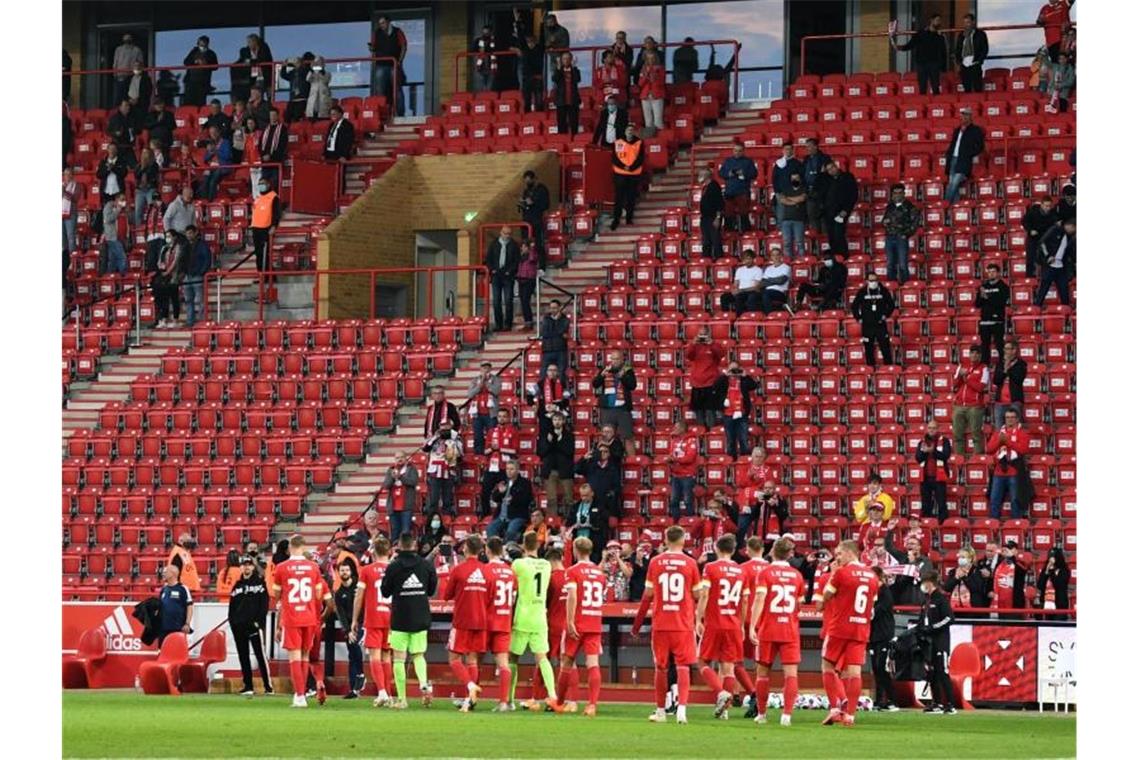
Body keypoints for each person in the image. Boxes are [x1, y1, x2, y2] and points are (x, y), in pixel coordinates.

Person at [632, 525, 703, 724]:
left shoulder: (656, 562)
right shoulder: (690, 563)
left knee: (661, 668)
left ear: (665, 539)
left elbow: (647, 596)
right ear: (683, 540)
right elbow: (698, 595)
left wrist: (637, 625)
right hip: (683, 623)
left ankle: (661, 711)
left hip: (661, 623)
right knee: (683, 666)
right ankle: (682, 710)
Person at [818, 540, 880, 727]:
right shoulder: (872, 576)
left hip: (839, 627)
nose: (837, 558)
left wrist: (832, 582)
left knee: (827, 666)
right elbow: (872, 605)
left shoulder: (841, 573)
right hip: (861, 628)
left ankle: (835, 709)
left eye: (839, 554)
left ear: (849, 552)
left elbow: (823, 600)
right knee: (855, 672)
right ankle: (850, 715)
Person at [747, 536, 805, 726]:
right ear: (789, 554)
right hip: (789, 628)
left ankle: (762, 714)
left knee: (762, 673)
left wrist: (752, 625)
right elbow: (800, 602)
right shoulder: (797, 575)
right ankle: (786, 715)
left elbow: (759, 599)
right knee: (791, 674)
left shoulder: (765, 573)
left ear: (772, 551)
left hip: (768, 628)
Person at [272, 535, 333, 708]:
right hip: (309, 617)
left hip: (292, 616)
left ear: (290, 547)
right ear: (304, 547)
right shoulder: (313, 567)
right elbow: (318, 594)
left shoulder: (281, 567)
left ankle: (299, 696)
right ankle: (303, 694)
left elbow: (276, 594)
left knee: (294, 657)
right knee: (306, 656)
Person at [380, 532, 438, 709]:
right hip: (420, 615)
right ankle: (423, 684)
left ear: (399, 546)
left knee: (398, 658)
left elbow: (385, 592)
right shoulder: (426, 564)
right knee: (419, 655)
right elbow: (431, 590)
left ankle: (402, 699)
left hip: (400, 618)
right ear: (414, 545)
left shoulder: (394, 566)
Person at [694, 535, 747, 719]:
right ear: (733, 550)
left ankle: (720, 693)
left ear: (716, 548)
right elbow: (745, 601)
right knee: (728, 668)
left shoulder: (710, 567)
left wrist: (698, 618)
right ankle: (725, 711)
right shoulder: (741, 571)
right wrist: (741, 625)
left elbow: (705, 594)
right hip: (733, 623)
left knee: (702, 662)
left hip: (715, 622)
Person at [554, 537, 607, 716]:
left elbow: (573, 596)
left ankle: (561, 702)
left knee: (567, 660)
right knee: (593, 663)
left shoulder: (572, 571)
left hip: (577, 622)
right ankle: (592, 705)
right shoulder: (599, 572)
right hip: (594, 622)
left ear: (575, 550)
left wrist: (569, 621)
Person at [508, 532, 560, 711]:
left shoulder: (518, 564)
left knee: (513, 658)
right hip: (540, 616)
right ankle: (553, 695)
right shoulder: (546, 565)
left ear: (523, 545)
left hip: (523, 615)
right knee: (542, 658)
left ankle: (509, 699)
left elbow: (510, 581)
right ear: (538, 546)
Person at [441, 534, 489, 712]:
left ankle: (470, 686)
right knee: (472, 659)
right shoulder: (487, 571)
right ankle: (470, 701)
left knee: (454, 659)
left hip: (462, 620)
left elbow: (446, 596)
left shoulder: (458, 570)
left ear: (466, 549)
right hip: (481, 620)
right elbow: (490, 597)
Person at [353, 536, 394, 707]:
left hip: (374, 617)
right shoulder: (395, 569)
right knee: (387, 657)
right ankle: (389, 694)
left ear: (374, 552)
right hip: (391, 618)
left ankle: (382, 692)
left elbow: (359, 596)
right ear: (390, 551)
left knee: (375, 657)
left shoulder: (367, 570)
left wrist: (355, 619)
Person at [228, 556, 272, 695]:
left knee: (260, 656)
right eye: (244, 565)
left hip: (253, 626)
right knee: (243, 655)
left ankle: (268, 687)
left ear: (253, 567)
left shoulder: (260, 584)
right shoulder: (237, 586)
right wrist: (232, 622)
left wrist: (258, 623)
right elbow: (232, 607)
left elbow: (264, 605)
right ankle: (248, 686)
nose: (246, 567)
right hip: (239, 626)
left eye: (249, 565)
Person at [484, 537, 518, 711]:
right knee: (503, 663)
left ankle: (471, 698)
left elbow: (482, 599)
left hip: (487, 621)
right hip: (504, 620)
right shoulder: (510, 572)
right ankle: (504, 702)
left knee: (474, 659)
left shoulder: (485, 571)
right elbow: (513, 598)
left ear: (488, 550)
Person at [916, 570, 956, 714]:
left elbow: (949, 618)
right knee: (931, 673)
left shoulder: (940, 599)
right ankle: (937, 703)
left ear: (929, 583)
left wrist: (932, 628)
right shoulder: (927, 601)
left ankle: (951, 704)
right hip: (929, 643)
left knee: (943, 672)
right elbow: (922, 620)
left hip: (940, 642)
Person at [987, 408, 1031, 519]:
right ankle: (994, 524)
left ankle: (1016, 526)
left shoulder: (1022, 433)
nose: (1009, 420)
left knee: (1015, 500)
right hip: (998, 472)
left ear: (1017, 419)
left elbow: (1024, 449)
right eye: (1007, 417)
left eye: (1012, 417)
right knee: (994, 499)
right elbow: (989, 449)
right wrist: (999, 441)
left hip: (1014, 471)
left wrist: (1008, 442)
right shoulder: (998, 433)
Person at [891, 14, 946, 95]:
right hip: (921, 64)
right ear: (931, 20)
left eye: (940, 21)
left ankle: (935, 105)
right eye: (937, 20)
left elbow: (943, 51)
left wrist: (943, 66)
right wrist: (899, 48)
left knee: (935, 86)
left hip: (934, 64)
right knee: (922, 87)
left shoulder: (940, 36)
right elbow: (911, 44)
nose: (939, 23)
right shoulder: (921, 33)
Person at [332, 560, 364, 698]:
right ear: (338, 573)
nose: (344, 573)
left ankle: (361, 676)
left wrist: (357, 626)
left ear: (351, 571)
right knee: (352, 654)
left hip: (362, 624)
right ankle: (354, 688)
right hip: (349, 628)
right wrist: (348, 631)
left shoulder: (359, 586)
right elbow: (341, 614)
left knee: (355, 648)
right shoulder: (338, 593)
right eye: (342, 570)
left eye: (346, 570)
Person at [951, 345, 991, 456]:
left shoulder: (984, 368)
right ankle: (959, 458)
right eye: (972, 353)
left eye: (977, 353)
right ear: (969, 354)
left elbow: (981, 387)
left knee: (976, 434)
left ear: (980, 355)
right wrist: (960, 376)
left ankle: (977, 459)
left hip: (975, 406)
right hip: (959, 405)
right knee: (957, 434)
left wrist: (966, 379)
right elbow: (954, 385)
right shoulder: (962, 366)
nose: (974, 355)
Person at [867, 566, 897, 711]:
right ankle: (879, 700)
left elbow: (878, 611)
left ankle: (891, 699)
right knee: (875, 668)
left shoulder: (886, 592)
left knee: (882, 668)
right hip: (873, 636)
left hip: (884, 635)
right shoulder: (871, 593)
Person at [592, 352, 637, 449]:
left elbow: (633, 386)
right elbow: (595, 384)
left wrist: (623, 376)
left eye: (616, 359)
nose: (614, 361)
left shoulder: (627, 370)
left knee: (628, 437)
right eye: (612, 359)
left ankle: (632, 462)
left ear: (622, 360)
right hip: (607, 410)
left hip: (623, 410)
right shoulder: (605, 369)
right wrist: (601, 376)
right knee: (606, 437)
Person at [851, 272, 895, 367]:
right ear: (867, 281)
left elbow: (891, 305)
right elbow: (854, 306)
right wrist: (858, 318)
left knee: (885, 348)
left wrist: (886, 315)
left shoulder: (883, 291)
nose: (873, 282)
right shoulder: (862, 292)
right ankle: (871, 370)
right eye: (871, 280)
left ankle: (889, 369)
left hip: (880, 325)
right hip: (867, 326)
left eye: (875, 280)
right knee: (868, 350)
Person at [685, 326, 725, 429]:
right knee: (698, 412)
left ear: (709, 335)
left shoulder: (714, 345)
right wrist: (693, 343)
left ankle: (711, 435)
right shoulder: (695, 346)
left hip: (710, 383)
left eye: (704, 334)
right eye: (700, 334)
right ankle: (701, 433)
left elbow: (721, 354)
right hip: (697, 384)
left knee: (710, 411)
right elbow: (688, 355)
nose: (702, 337)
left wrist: (711, 343)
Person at [943, 108, 985, 203]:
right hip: (953, 159)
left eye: (966, 115)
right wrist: (948, 153)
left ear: (970, 117)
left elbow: (980, 146)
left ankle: (945, 204)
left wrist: (969, 153)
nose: (963, 117)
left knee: (953, 183)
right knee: (953, 184)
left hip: (964, 161)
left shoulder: (975, 130)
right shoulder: (957, 130)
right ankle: (955, 208)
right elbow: (953, 144)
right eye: (962, 115)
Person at [574, 442, 621, 525]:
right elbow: (577, 469)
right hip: (591, 502)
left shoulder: (613, 468)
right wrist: (584, 458)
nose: (603, 453)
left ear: (609, 454)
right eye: (601, 451)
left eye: (606, 451)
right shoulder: (591, 465)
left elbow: (617, 486)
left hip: (606, 504)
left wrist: (610, 494)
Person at [424, 417, 462, 519]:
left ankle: (447, 518)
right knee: (434, 498)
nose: (444, 427)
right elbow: (425, 448)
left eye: (447, 425)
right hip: (435, 470)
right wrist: (435, 437)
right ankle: (432, 518)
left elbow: (460, 455)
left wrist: (452, 441)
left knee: (447, 498)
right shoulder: (434, 437)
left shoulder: (456, 437)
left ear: (451, 426)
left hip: (449, 470)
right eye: (442, 425)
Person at [882, 184, 921, 284]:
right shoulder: (890, 206)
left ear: (904, 194)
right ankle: (891, 286)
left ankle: (905, 287)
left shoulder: (910, 207)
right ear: (892, 195)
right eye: (895, 193)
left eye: (900, 193)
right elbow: (884, 220)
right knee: (890, 264)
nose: (897, 195)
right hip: (890, 237)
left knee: (903, 264)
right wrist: (884, 223)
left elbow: (915, 224)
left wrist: (906, 235)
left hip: (901, 238)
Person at [539, 412, 575, 520]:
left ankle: (568, 521)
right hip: (550, 471)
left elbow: (570, 452)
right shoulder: (546, 435)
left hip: (566, 471)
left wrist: (558, 441)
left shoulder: (569, 435)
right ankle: (552, 522)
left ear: (563, 421)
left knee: (568, 499)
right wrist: (550, 442)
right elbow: (541, 452)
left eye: (559, 419)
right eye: (555, 419)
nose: (557, 422)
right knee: (551, 500)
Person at [369, 16, 407, 117]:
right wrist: (373, 55)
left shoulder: (397, 31)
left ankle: (400, 113)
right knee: (380, 90)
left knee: (397, 89)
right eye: (380, 23)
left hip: (394, 64)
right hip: (380, 65)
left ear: (388, 22)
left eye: (383, 23)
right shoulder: (377, 33)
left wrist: (400, 61)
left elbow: (404, 46)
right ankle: (384, 113)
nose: (382, 25)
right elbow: (373, 48)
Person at [487, 460, 533, 543]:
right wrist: (500, 492)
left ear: (518, 470)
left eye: (512, 469)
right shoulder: (503, 482)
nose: (509, 471)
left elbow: (527, 499)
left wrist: (513, 499)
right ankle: (495, 550)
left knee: (511, 531)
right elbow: (494, 498)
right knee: (490, 528)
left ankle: (509, 550)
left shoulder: (525, 483)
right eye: (507, 469)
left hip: (517, 515)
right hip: (502, 516)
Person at [916, 420, 953, 522]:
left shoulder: (944, 441)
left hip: (939, 478)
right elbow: (918, 458)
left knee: (941, 504)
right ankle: (926, 525)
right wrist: (925, 452)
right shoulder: (922, 442)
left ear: (938, 429)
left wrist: (933, 451)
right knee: (925, 504)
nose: (931, 430)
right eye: (930, 428)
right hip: (925, 478)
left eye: (934, 428)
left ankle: (943, 525)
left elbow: (946, 455)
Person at [485, 226, 520, 332]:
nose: (507, 236)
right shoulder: (494, 244)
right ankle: (498, 324)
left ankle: (508, 324)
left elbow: (516, 261)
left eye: (509, 234)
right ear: (501, 233)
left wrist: (510, 271)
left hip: (508, 276)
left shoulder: (514, 245)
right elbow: (489, 258)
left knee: (508, 300)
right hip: (496, 275)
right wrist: (492, 270)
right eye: (505, 233)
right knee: (496, 301)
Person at [1035, 218, 1076, 306]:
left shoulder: (1069, 237)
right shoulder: (1055, 230)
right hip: (1049, 266)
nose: (1074, 231)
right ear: (1070, 226)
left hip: (1061, 267)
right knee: (1043, 290)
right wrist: (1048, 256)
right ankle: (1036, 309)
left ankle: (1065, 312)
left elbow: (1069, 251)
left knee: (1064, 291)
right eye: (1074, 229)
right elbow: (1042, 242)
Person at [610, 125, 644, 230]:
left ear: (634, 132)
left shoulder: (639, 142)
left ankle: (629, 219)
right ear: (625, 131)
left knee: (631, 198)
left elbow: (641, 158)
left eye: (631, 130)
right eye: (628, 130)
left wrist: (631, 167)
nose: (630, 132)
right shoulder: (617, 142)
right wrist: (624, 167)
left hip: (634, 174)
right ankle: (616, 219)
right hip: (620, 174)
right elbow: (614, 158)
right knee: (619, 198)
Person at [718, 143, 758, 232]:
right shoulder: (728, 161)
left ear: (743, 151)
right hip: (729, 192)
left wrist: (743, 174)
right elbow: (721, 173)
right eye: (735, 150)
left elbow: (754, 174)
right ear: (733, 151)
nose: (737, 153)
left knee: (744, 213)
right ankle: (729, 233)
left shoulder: (748, 161)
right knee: (728, 214)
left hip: (742, 191)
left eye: (739, 151)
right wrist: (728, 174)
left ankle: (746, 233)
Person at [822, 160, 858, 259]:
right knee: (831, 235)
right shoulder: (827, 180)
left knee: (839, 233)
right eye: (828, 170)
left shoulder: (847, 177)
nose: (831, 171)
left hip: (842, 211)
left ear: (836, 166)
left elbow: (853, 195)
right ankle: (835, 256)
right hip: (829, 212)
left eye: (832, 167)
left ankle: (843, 256)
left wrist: (846, 210)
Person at [528, 361, 571, 440]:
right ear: (547, 372)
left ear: (557, 372)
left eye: (554, 370)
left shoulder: (562, 383)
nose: (552, 372)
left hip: (558, 415)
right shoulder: (541, 383)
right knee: (544, 437)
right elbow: (529, 393)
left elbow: (567, 399)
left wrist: (557, 406)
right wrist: (532, 404)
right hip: (544, 415)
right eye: (550, 370)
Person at [666, 420, 699, 521]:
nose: (674, 430)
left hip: (687, 476)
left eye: (676, 428)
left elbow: (690, 458)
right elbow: (672, 454)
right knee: (674, 501)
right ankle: (676, 523)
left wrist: (675, 460)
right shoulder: (674, 440)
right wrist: (670, 460)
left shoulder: (692, 440)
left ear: (682, 428)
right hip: (675, 475)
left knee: (688, 500)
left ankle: (689, 522)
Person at [976, 264, 1010, 364]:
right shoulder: (984, 286)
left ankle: (1003, 368)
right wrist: (981, 296)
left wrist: (987, 297)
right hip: (984, 322)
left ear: (998, 273)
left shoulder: (1003, 287)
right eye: (989, 272)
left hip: (997, 321)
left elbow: (1001, 303)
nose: (991, 274)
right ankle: (985, 368)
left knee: (1000, 346)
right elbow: (977, 304)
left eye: (993, 272)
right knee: (984, 347)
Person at [381, 453, 419, 541]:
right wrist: (393, 477)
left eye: (402, 457)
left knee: (406, 532)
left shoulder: (411, 469)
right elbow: (386, 485)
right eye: (397, 458)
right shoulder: (391, 470)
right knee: (395, 531)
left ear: (406, 458)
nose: (400, 459)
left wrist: (400, 477)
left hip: (406, 506)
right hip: (393, 507)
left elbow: (413, 482)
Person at [466, 361, 501, 455]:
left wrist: (487, 384)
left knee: (492, 435)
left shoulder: (496, 379)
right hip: (477, 413)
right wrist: (479, 385)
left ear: (490, 369)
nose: (485, 370)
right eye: (483, 368)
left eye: (487, 367)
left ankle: (491, 454)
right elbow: (469, 394)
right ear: (480, 369)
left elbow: (497, 391)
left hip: (491, 413)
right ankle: (478, 455)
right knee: (478, 436)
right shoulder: (475, 380)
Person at [567, 483, 607, 561]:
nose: (584, 498)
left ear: (592, 493)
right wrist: (574, 526)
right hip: (578, 540)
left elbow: (604, 523)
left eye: (586, 495)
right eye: (582, 496)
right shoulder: (575, 506)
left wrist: (592, 525)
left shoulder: (599, 506)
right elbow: (569, 522)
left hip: (593, 541)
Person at [156, 564, 194, 646]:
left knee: (176, 650)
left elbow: (189, 607)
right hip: (163, 627)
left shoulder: (183, 589)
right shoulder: (164, 589)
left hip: (177, 627)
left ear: (172, 573)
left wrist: (187, 623)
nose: (163, 573)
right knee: (162, 650)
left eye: (165, 572)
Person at [181, 226, 212, 329]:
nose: (189, 235)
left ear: (195, 233)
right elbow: (182, 259)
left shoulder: (202, 245)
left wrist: (201, 272)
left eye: (190, 233)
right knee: (188, 300)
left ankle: (202, 321)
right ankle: (190, 321)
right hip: (187, 276)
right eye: (187, 233)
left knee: (200, 300)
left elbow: (207, 260)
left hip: (197, 276)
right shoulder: (185, 245)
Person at [944, 546, 991, 611]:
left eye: (963, 557)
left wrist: (964, 577)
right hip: (955, 609)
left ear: (970, 559)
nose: (960, 559)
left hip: (973, 609)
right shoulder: (953, 571)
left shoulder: (977, 571)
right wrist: (956, 578)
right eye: (959, 557)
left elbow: (976, 588)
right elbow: (947, 588)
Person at [1022, 196, 1059, 278]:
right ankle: (1029, 277)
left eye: (1049, 206)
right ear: (1041, 205)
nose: (1048, 208)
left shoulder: (1053, 214)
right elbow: (1024, 221)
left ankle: (1047, 277)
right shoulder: (1033, 211)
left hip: (1046, 239)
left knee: (1047, 258)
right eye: (1046, 206)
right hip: (1033, 238)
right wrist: (1030, 230)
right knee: (1030, 258)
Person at [992, 340, 1027, 425]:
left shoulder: (1021, 364)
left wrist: (1009, 368)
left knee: (1014, 429)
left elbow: (1018, 379)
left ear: (1014, 350)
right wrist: (1004, 370)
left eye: (1007, 349)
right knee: (999, 430)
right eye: (1005, 349)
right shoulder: (1000, 364)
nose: (1005, 351)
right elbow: (996, 380)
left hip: (1014, 401)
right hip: (1000, 402)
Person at [801, 138, 832, 234]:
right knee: (812, 218)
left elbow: (828, 175)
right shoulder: (805, 159)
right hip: (809, 193)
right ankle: (816, 240)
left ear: (816, 146)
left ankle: (825, 242)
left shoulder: (825, 158)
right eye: (806, 147)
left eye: (809, 146)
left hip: (821, 193)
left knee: (824, 219)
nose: (808, 148)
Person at [250, 177, 280, 273]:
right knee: (258, 254)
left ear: (268, 185)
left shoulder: (273, 197)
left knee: (265, 254)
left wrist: (274, 226)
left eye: (263, 183)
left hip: (266, 228)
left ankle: (268, 276)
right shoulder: (258, 198)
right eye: (259, 184)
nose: (261, 186)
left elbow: (276, 213)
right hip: (256, 228)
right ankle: (261, 275)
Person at [519, 170, 550, 261]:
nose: (527, 183)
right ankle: (526, 264)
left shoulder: (542, 189)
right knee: (525, 243)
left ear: (533, 179)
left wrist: (533, 203)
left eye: (529, 180)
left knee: (539, 244)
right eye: (526, 181)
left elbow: (545, 205)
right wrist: (523, 203)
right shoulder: (526, 191)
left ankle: (541, 266)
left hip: (537, 220)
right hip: (526, 220)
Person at [954, 13, 989, 93]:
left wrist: (979, 60)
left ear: (973, 22)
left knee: (977, 87)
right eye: (965, 22)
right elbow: (958, 49)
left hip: (975, 63)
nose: (966, 25)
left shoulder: (980, 34)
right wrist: (958, 62)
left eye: (968, 22)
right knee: (967, 88)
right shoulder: (961, 35)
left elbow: (985, 49)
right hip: (964, 64)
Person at [771, 144, 804, 225]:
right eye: (786, 149)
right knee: (781, 216)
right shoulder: (778, 164)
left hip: (794, 194)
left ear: (793, 150)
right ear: (783, 150)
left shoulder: (797, 164)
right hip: (781, 194)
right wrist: (777, 192)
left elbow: (801, 179)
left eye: (789, 149)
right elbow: (774, 179)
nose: (788, 151)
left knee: (795, 216)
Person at [777, 173, 808, 260]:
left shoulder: (803, 189)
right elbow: (782, 200)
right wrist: (795, 202)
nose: (794, 180)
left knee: (799, 242)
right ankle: (788, 261)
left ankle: (801, 261)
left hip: (799, 220)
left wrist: (789, 198)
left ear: (800, 179)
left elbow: (802, 198)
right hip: (786, 220)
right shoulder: (786, 189)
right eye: (793, 179)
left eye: (796, 178)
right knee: (787, 243)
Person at [1035, 547, 1071, 619]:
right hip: (1046, 604)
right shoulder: (1046, 569)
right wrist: (1046, 571)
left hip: (1059, 605)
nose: (1051, 560)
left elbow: (1058, 585)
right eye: (1050, 557)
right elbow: (1040, 585)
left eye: (1053, 557)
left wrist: (1051, 571)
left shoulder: (1064, 571)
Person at [697, 168, 724, 260]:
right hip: (705, 218)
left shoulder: (714, 186)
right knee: (706, 241)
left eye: (700, 175)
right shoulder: (706, 187)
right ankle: (706, 260)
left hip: (713, 218)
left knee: (715, 240)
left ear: (706, 176)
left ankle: (719, 260)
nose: (698, 177)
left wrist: (717, 218)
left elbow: (720, 203)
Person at [726, 248, 763, 315]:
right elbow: (736, 283)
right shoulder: (739, 270)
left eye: (749, 259)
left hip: (751, 291)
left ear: (753, 259)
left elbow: (756, 287)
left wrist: (741, 290)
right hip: (741, 291)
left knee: (742, 297)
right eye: (745, 259)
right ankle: (726, 316)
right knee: (724, 297)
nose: (747, 261)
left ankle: (745, 317)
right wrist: (734, 290)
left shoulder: (758, 270)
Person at [637, 49, 666, 137]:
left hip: (657, 95)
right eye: (648, 59)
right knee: (648, 121)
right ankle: (649, 141)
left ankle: (660, 139)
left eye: (652, 58)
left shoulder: (660, 68)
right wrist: (646, 75)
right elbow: (640, 83)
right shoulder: (643, 69)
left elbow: (662, 82)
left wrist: (654, 76)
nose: (650, 61)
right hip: (645, 96)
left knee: (658, 120)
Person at [111, 34, 145, 107]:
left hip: (131, 76)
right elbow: (115, 62)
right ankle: (117, 110)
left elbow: (140, 63)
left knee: (131, 96)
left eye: (128, 39)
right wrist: (115, 73)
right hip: (120, 76)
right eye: (125, 39)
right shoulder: (118, 49)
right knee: (119, 95)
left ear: (132, 39)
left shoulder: (137, 50)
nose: (126, 41)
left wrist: (137, 74)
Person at [279, 53, 315, 123]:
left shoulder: (306, 70)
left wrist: (301, 66)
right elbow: (284, 75)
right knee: (287, 117)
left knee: (297, 116)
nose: (296, 63)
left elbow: (310, 74)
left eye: (297, 61)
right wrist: (284, 67)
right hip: (293, 98)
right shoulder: (293, 72)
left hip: (302, 98)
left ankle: (296, 130)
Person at [201, 125, 233, 201]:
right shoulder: (211, 144)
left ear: (219, 132)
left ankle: (211, 202)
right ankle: (204, 201)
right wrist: (210, 152)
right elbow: (205, 159)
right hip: (212, 167)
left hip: (223, 168)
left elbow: (227, 156)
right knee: (205, 179)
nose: (213, 135)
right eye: (211, 133)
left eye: (215, 132)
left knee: (213, 180)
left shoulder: (225, 142)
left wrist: (216, 151)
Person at [552, 52, 581, 137]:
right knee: (561, 122)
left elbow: (577, 79)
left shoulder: (575, 70)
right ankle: (562, 139)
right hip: (561, 101)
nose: (566, 60)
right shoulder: (558, 71)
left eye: (568, 58)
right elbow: (555, 79)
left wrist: (574, 67)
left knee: (574, 122)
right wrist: (558, 68)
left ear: (571, 60)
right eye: (564, 59)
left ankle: (574, 139)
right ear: (561, 60)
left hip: (573, 100)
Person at [258, 108, 288, 190]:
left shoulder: (283, 129)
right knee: (263, 185)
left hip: (276, 162)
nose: (272, 117)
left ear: (278, 116)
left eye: (274, 115)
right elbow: (260, 144)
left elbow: (282, 145)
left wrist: (271, 156)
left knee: (274, 184)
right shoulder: (265, 129)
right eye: (271, 115)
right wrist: (263, 155)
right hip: (265, 163)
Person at [514, 33, 545, 113]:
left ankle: (540, 115)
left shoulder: (539, 48)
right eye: (528, 42)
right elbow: (519, 41)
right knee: (527, 99)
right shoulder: (524, 49)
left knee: (539, 100)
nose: (530, 43)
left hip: (537, 76)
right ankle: (527, 116)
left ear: (535, 41)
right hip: (527, 77)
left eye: (532, 41)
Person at [100, 193, 129, 275]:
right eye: (121, 200)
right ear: (116, 200)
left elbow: (126, 223)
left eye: (124, 200)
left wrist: (127, 236)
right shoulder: (109, 206)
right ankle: (124, 276)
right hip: (112, 237)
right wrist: (118, 210)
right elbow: (108, 219)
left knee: (112, 260)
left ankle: (110, 278)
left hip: (121, 238)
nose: (123, 202)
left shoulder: (124, 210)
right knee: (122, 257)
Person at [758, 247, 792, 314]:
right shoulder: (768, 268)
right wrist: (775, 279)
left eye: (777, 255)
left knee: (766, 294)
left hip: (780, 293)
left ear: (781, 256)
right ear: (771, 257)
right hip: (767, 291)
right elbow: (763, 283)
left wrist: (769, 280)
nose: (775, 257)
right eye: (773, 255)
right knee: (754, 295)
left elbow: (781, 281)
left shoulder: (786, 267)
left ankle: (769, 315)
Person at [515, 239, 539, 331]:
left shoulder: (533, 254)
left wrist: (532, 248)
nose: (522, 248)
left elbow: (533, 259)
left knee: (525, 301)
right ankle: (527, 322)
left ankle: (529, 322)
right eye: (522, 247)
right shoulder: (521, 256)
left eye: (524, 247)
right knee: (523, 301)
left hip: (529, 279)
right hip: (521, 279)